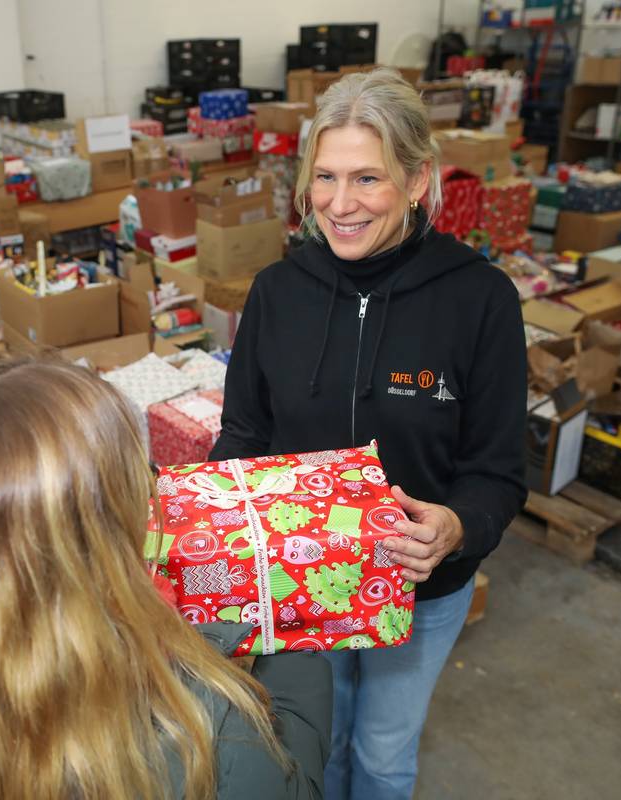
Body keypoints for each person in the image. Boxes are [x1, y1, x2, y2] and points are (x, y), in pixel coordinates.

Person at [210, 68, 527, 800]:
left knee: (383, 754)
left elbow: (499, 468)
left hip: (422, 588)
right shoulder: (277, 292)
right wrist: (212, 515)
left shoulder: (479, 299)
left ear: (418, 180)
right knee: (313, 738)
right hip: (299, 581)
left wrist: (457, 525)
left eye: (367, 179)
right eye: (325, 176)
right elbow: (244, 430)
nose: (339, 205)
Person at [0, 358, 333, 800]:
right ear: (93, 551)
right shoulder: (205, 737)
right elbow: (295, 780)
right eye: (140, 481)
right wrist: (289, 613)